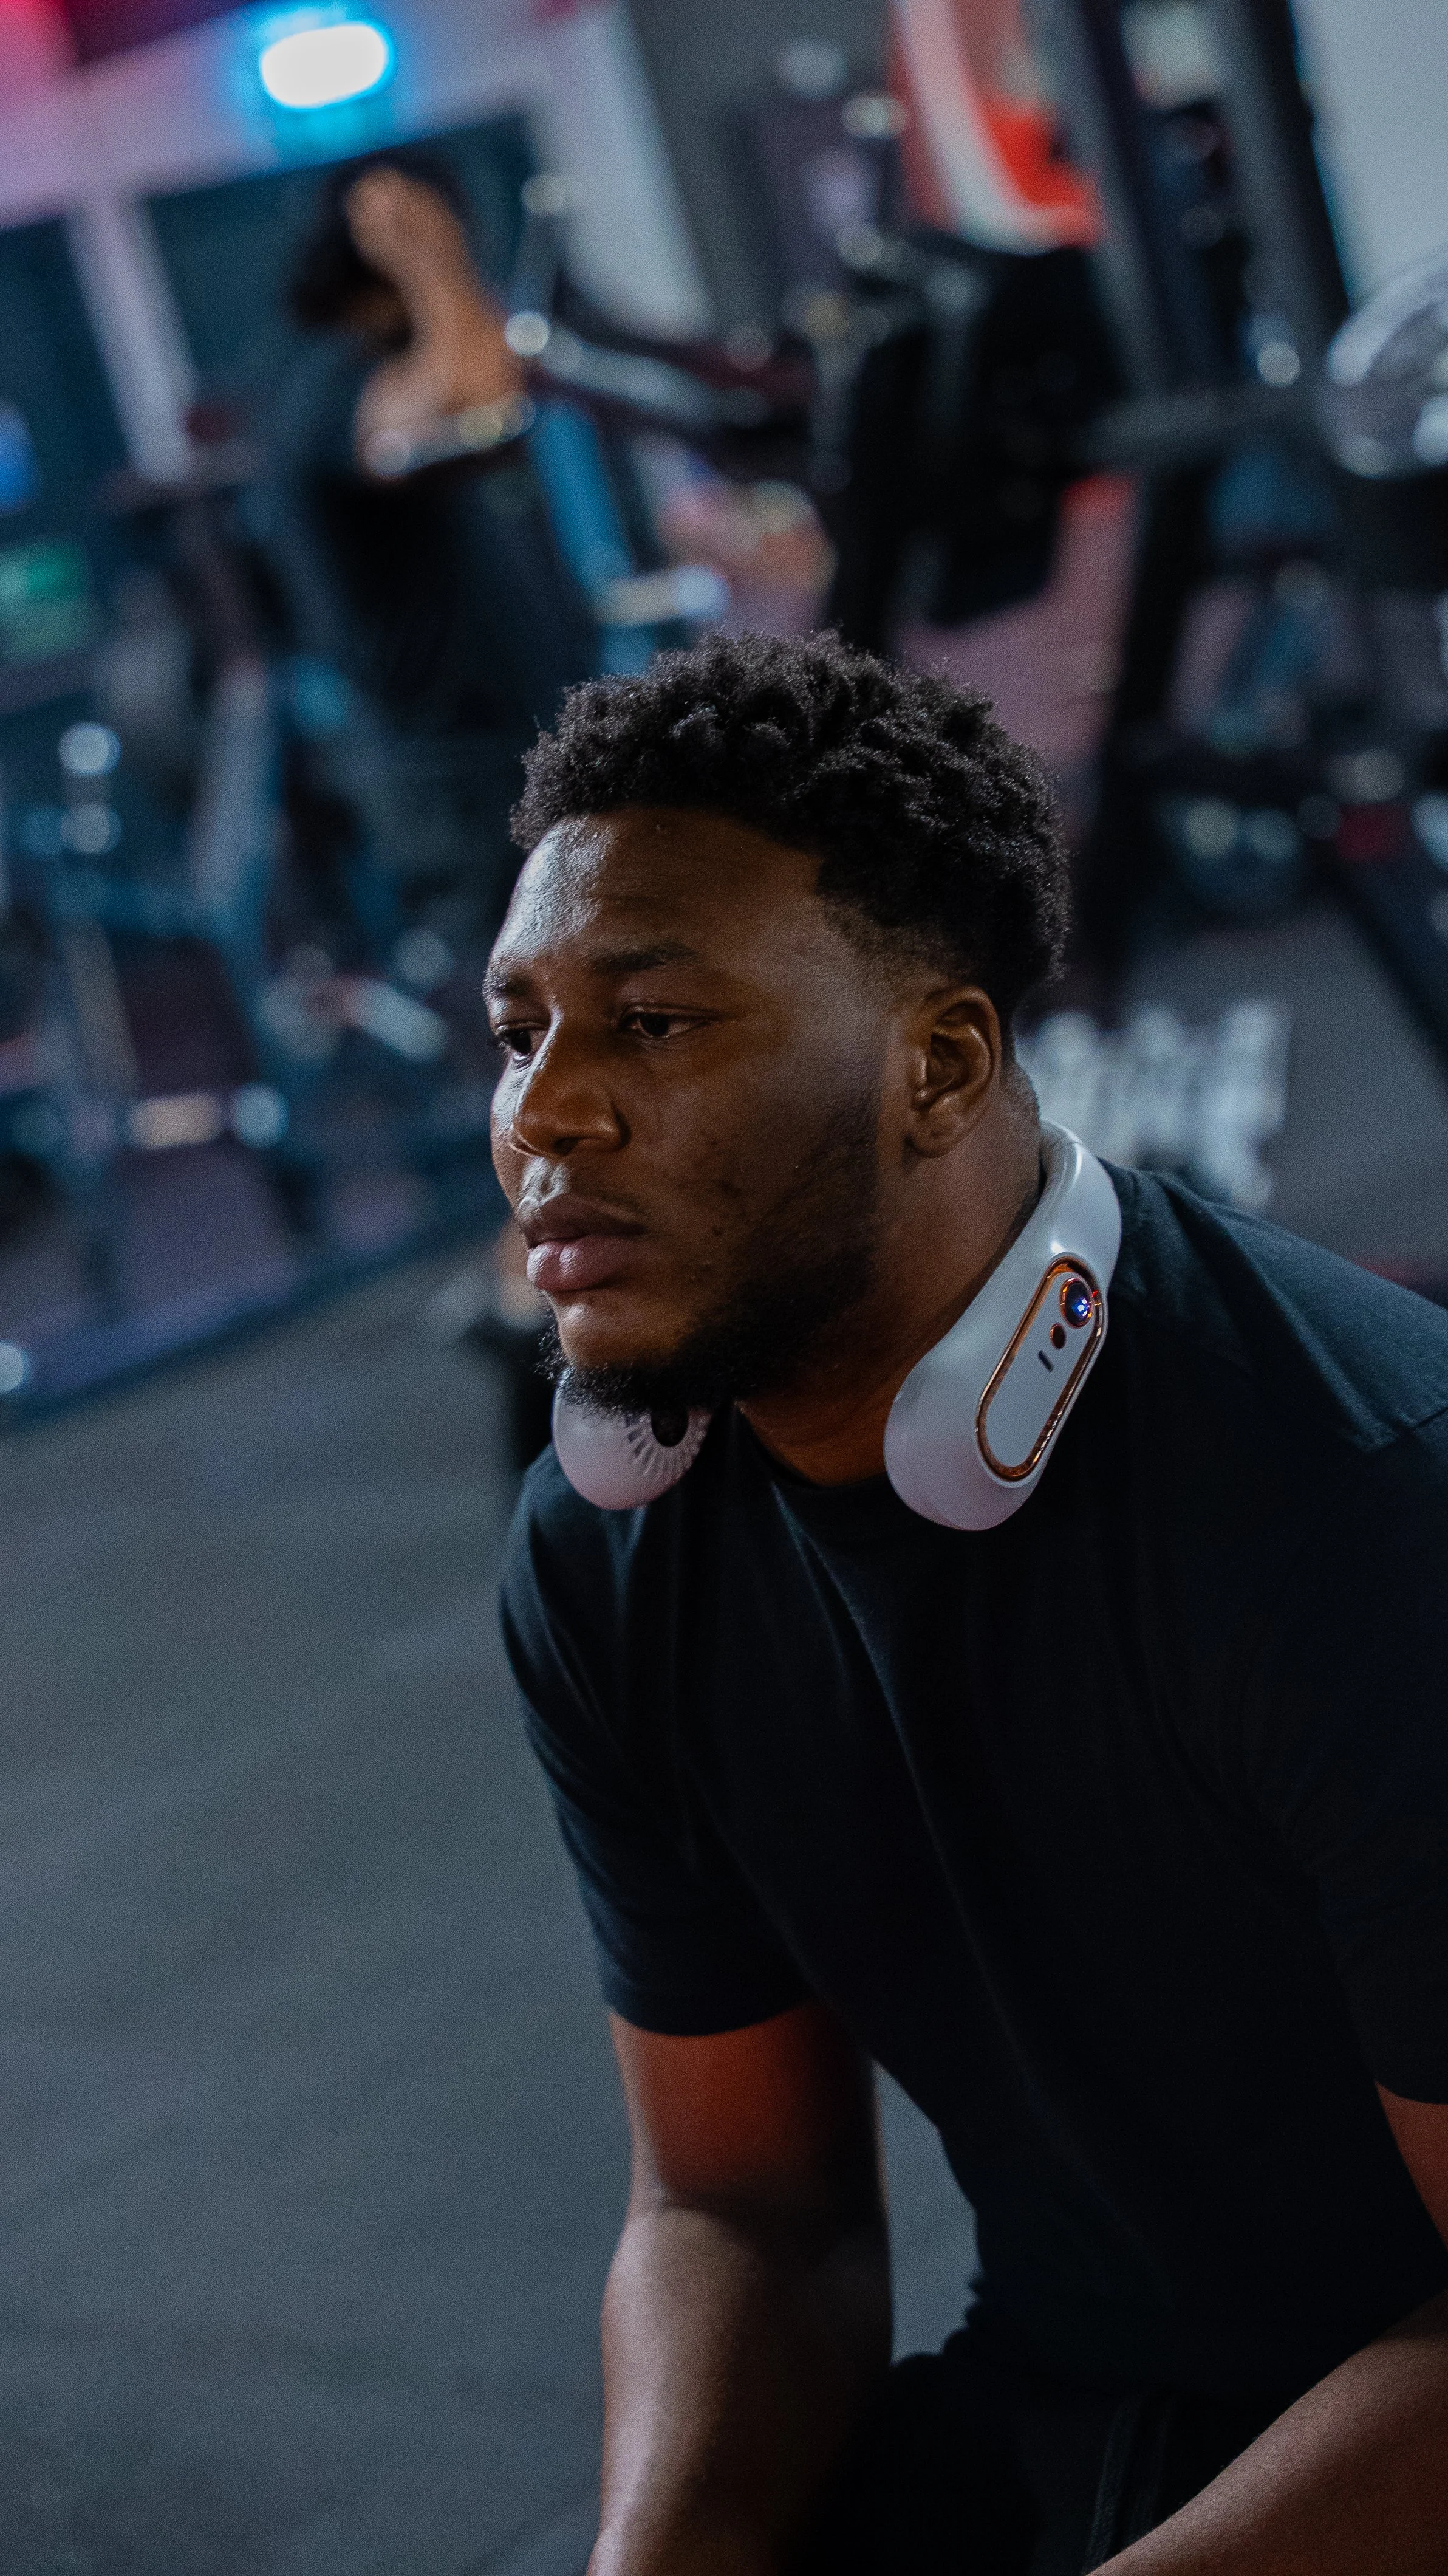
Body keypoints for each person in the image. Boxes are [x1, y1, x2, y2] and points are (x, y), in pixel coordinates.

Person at [489, 631, 1448, 2573]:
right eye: (521, 1030)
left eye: (654, 1025)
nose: (548, 1114)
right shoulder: (606, 1553)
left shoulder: (1353, 1503)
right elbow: (742, 2211)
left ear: (941, 1064)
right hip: (1086, 2416)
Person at [265, 151, 597, 951]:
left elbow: (501, 385)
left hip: (526, 754)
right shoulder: (325, 390)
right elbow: (471, 397)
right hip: (457, 786)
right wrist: (431, 258)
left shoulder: (391, 368)